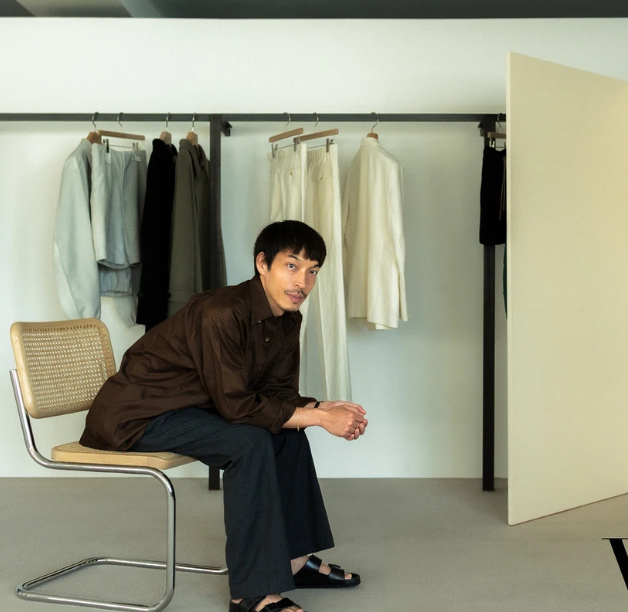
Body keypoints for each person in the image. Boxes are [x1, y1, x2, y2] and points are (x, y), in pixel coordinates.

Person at [80, 220, 368, 612]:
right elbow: (237, 406)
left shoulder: (288, 318)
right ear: (262, 264)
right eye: (291, 266)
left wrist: (320, 408)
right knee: (248, 442)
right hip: (139, 414)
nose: (302, 282)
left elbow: (278, 394)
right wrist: (318, 418)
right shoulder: (221, 313)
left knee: (288, 433)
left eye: (312, 271)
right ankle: (250, 593)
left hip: (193, 407)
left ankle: (295, 562)